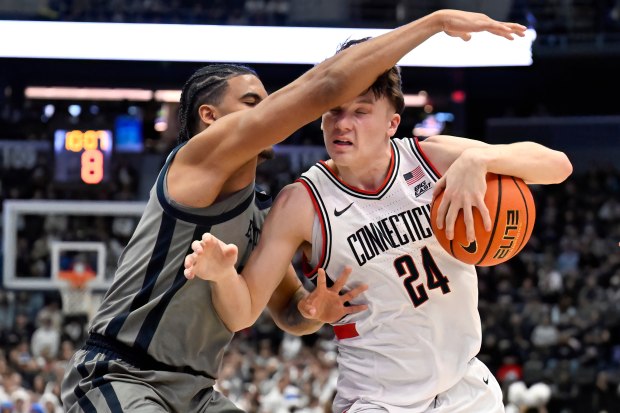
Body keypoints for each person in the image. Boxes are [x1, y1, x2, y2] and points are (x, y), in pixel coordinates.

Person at [61, 9, 528, 413]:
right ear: (210, 118)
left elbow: (287, 312)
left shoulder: (262, 212)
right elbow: (323, 87)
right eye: (252, 104)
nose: (269, 114)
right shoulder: (195, 164)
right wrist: (434, 23)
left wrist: (315, 308)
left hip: (194, 390)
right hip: (121, 373)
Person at [183, 38, 572, 413]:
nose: (342, 124)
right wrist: (225, 277)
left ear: (392, 122)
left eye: (360, 111)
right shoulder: (299, 203)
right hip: (377, 399)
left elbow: (558, 166)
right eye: (334, 110)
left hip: (464, 387)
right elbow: (243, 313)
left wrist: (479, 160)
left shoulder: (431, 158)